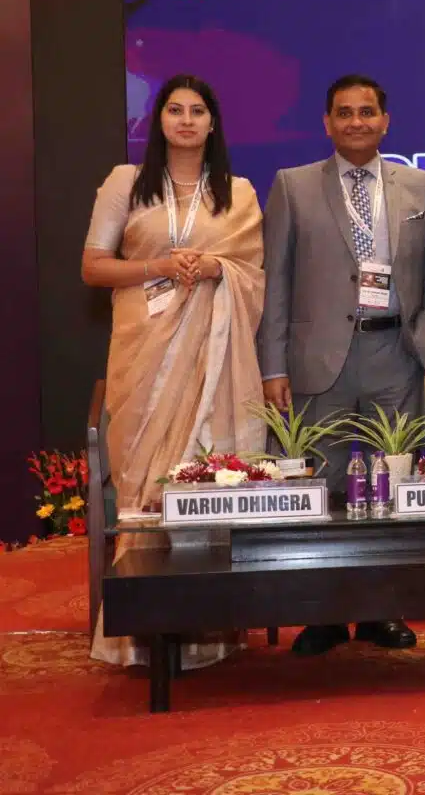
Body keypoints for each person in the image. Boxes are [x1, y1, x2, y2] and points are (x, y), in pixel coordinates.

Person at [258, 73, 425, 657]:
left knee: (392, 486)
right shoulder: (293, 186)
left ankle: (384, 610)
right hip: (319, 359)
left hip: (395, 354)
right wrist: (272, 365)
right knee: (325, 487)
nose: (356, 122)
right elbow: (275, 281)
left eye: (367, 112)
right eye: (344, 112)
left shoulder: (421, 187)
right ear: (327, 123)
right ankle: (326, 613)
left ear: (385, 121)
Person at [83, 74, 265, 667]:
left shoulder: (237, 193)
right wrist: (159, 266)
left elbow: (252, 274)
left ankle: (209, 632)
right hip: (144, 353)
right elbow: (94, 267)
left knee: (205, 479)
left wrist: (215, 267)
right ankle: (137, 637)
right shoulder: (125, 182)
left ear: (212, 123)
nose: (186, 121)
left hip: (213, 359)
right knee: (144, 486)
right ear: (158, 120)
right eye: (175, 110)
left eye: (197, 111)